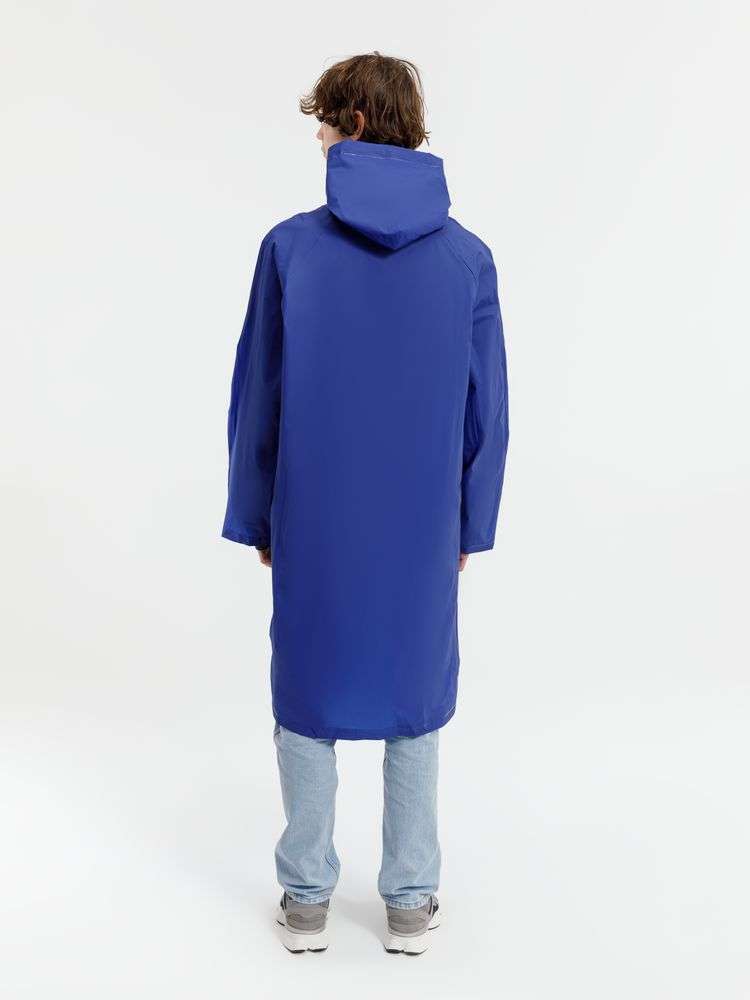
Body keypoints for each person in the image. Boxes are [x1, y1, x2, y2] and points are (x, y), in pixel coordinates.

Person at [222, 52, 509, 954]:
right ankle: (410, 902)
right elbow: (488, 411)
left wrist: (257, 514)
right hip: (422, 523)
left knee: (307, 690)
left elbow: (259, 395)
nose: (315, 137)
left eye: (322, 120)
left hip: (315, 515)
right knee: (413, 695)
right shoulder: (467, 259)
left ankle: (306, 899)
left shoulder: (290, 249)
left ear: (349, 122)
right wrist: (470, 523)